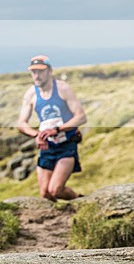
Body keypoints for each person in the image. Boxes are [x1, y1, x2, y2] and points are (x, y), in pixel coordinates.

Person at [17, 56, 87, 201]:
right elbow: (22, 123)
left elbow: (81, 117)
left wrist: (57, 129)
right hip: (47, 147)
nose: (37, 75)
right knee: (45, 194)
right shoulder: (31, 94)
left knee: (55, 190)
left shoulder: (62, 88)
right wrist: (37, 135)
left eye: (41, 71)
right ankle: (56, 218)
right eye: (34, 72)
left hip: (66, 144)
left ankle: (80, 202)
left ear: (50, 71)